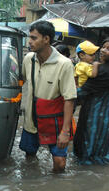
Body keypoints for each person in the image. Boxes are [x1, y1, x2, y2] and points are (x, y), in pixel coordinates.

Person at [20, 21, 77, 173]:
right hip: (31, 120)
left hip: (54, 121)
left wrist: (65, 131)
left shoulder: (64, 64)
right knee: (29, 157)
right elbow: (20, 81)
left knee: (59, 163)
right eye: (29, 37)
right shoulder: (28, 59)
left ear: (46, 39)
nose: (29, 42)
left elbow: (69, 99)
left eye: (33, 38)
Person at [73, 36, 109, 165]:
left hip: (92, 115)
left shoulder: (103, 71)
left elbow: (82, 93)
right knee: (101, 149)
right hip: (105, 116)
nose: (103, 51)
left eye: (108, 49)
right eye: (103, 47)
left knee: (86, 148)